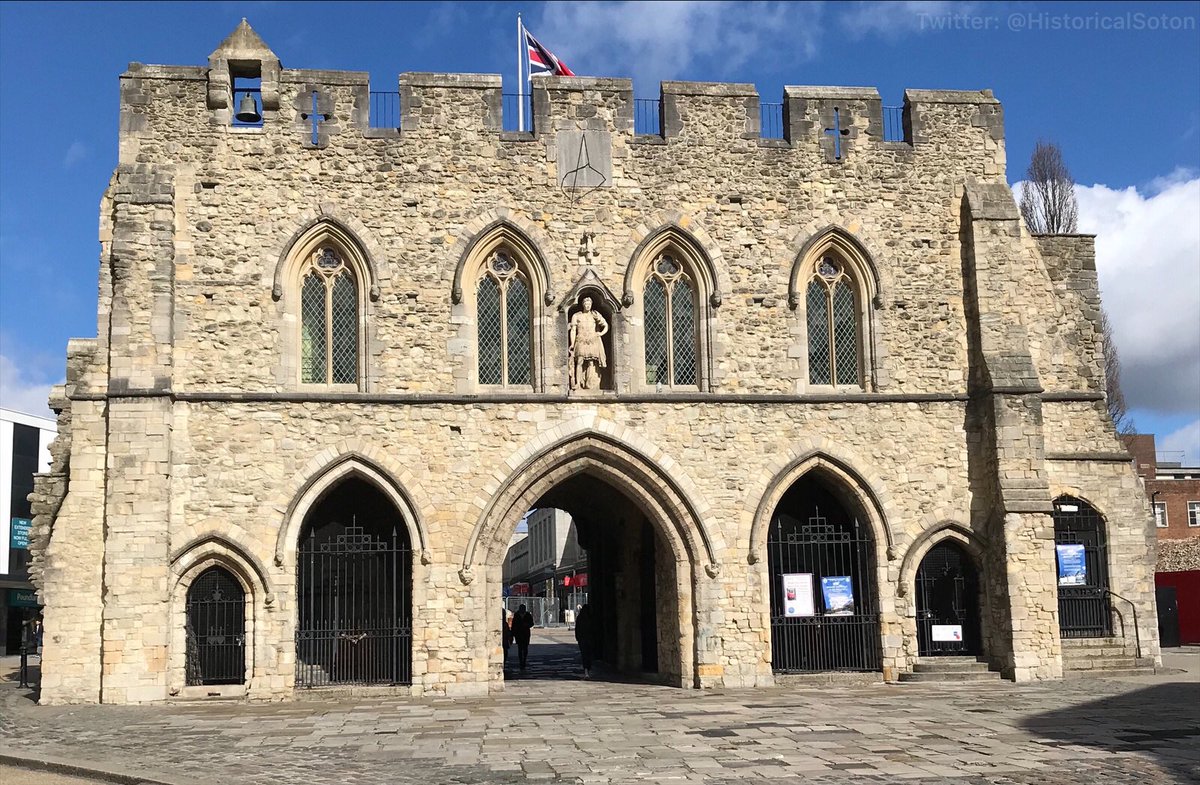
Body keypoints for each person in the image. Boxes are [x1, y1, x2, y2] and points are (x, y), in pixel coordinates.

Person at [568, 296, 608, 390]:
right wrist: (572, 344)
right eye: (586, 304)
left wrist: (600, 333)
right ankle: (578, 383)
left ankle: (591, 384)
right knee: (579, 361)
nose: (588, 306)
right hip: (581, 340)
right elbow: (573, 330)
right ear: (583, 304)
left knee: (591, 362)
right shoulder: (577, 316)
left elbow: (606, 325)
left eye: (589, 304)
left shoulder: (595, 315)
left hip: (592, 340)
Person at [511, 603, 535, 672]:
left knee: (525, 647)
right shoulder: (516, 615)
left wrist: (527, 625)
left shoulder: (528, 615)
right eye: (521, 608)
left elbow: (532, 623)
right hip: (518, 634)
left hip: (526, 633)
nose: (522, 610)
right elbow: (514, 624)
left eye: (523, 608)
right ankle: (521, 661)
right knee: (520, 648)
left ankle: (524, 660)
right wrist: (512, 633)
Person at [574, 603, 593, 678]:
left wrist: (578, 638)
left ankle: (586, 670)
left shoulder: (579, 618)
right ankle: (588, 669)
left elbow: (577, 629)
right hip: (590, 639)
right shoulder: (591, 618)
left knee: (584, 655)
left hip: (582, 639)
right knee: (589, 655)